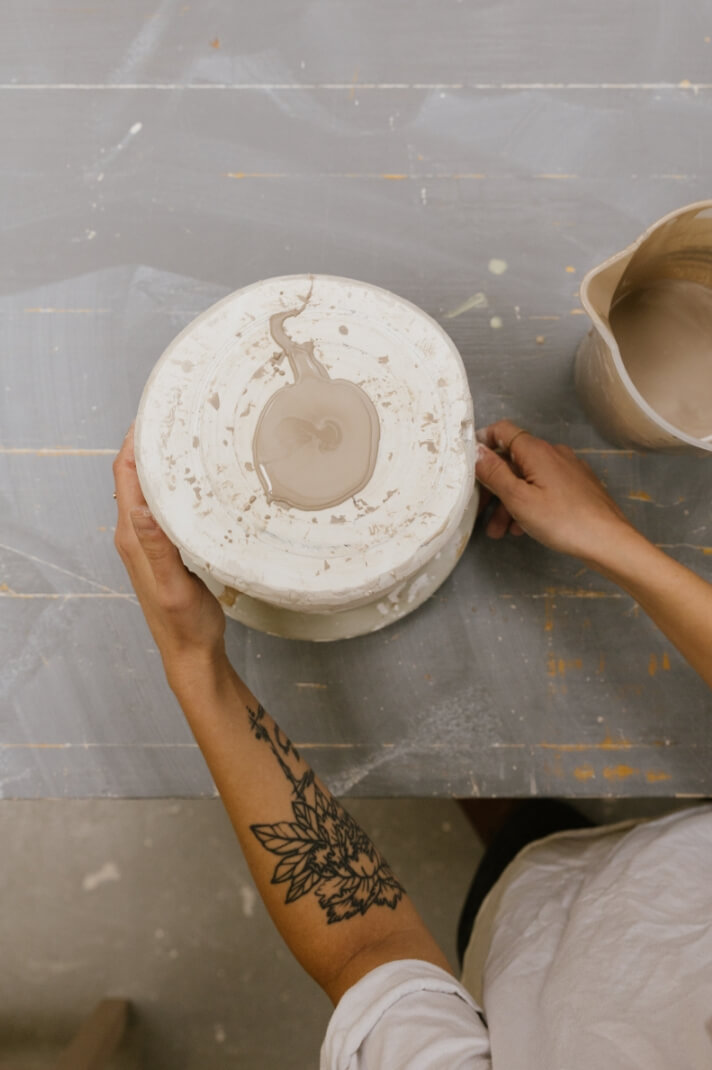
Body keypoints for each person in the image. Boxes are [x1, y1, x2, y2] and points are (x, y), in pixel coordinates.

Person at [113, 419, 712, 1068]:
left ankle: (519, 839)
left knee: (520, 849)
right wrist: (609, 540)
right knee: (535, 829)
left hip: (536, 943)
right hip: (670, 867)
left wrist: (193, 661)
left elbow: (368, 949)